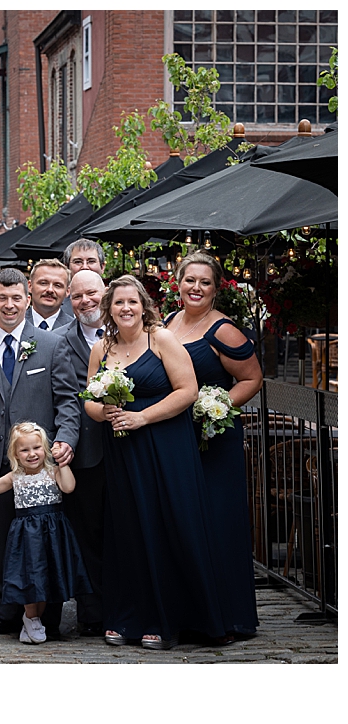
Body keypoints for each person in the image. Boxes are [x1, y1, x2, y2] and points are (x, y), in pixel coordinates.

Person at [85, 275, 226, 650]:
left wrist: (142, 418)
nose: (126, 309)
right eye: (118, 303)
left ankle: (169, 619)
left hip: (164, 446)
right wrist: (105, 410)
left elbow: (188, 390)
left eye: (132, 302)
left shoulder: (161, 339)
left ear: (143, 305)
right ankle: (128, 616)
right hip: (122, 450)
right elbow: (88, 399)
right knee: (129, 528)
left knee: (168, 525)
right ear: (109, 309)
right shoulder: (102, 347)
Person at [0, 267, 79, 639]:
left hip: (41, 466)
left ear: (27, 299)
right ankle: (5, 611)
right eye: (2, 298)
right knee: (0, 539)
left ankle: (48, 616)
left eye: (16, 297)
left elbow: (69, 401)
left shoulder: (52, 345)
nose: (9, 305)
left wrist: (66, 439)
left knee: (42, 539)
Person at [165, 251, 261, 637]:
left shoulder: (223, 330)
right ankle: (191, 612)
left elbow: (252, 379)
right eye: (190, 280)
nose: (196, 288)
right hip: (177, 438)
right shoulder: (169, 323)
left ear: (216, 288)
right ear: (179, 282)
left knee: (218, 523)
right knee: (185, 522)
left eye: (205, 282)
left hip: (214, 439)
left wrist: (217, 407)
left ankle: (229, 615)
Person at [0, 422, 91, 645]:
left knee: (46, 579)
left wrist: (62, 463)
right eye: (24, 450)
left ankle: (32, 619)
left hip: (52, 534)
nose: (32, 454)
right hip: (27, 536)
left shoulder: (52, 472)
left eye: (36, 447)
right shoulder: (15, 477)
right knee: (30, 578)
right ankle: (32, 617)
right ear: (15, 453)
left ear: (45, 448)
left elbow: (69, 487)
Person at [54, 270, 108, 637]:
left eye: (92, 293)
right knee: (89, 534)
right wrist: (66, 441)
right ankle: (93, 612)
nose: (86, 301)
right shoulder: (60, 341)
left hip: (132, 449)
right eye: (77, 296)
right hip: (87, 452)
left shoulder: (132, 329)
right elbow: (66, 401)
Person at [27, 258, 74, 330]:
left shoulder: (75, 329)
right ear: (30, 286)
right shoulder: (15, 323)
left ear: (67, 291)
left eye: (57, 285)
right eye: (43, 283)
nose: (50, 290)